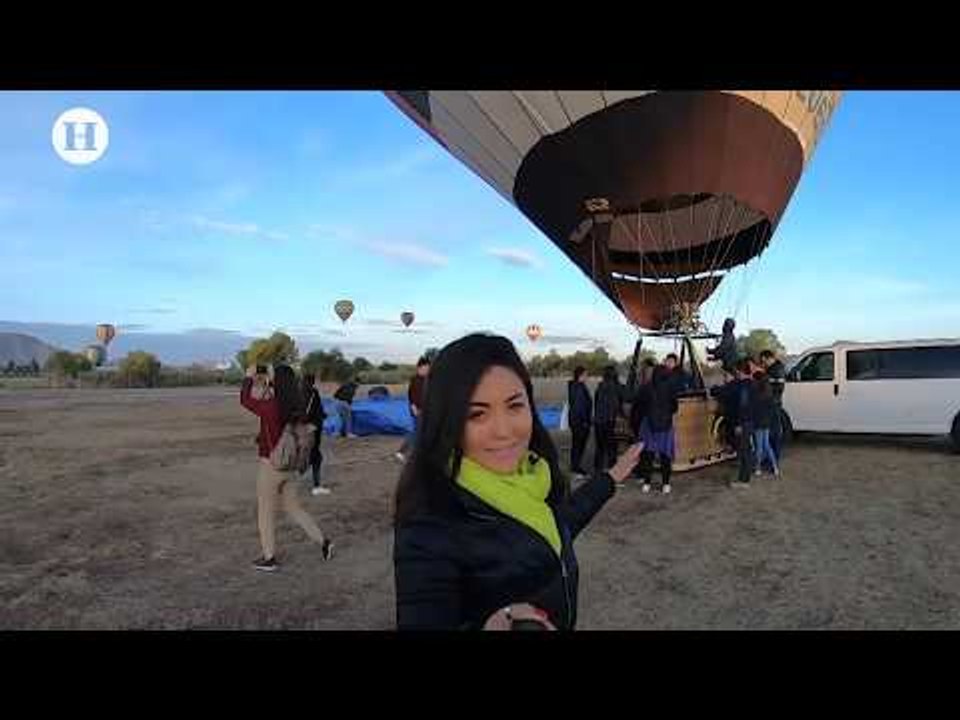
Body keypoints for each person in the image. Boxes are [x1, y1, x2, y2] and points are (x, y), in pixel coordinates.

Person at [393, 333, 643, 631]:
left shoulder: (533, 479)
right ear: (447, 421)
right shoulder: (429, 526)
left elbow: (558, 525)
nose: (504, 431)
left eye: (514, 406)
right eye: (477, 414)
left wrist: (610, 479)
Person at [241, 363, 333, 571]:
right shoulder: (297, 405)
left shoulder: (272, 406)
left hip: (271, 465)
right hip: (291, 466)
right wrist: (266, 385)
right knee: (294, 508)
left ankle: (269, 557)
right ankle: (323, 541)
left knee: (265, 511)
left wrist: (248, 378)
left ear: (277, 381)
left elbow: (245, 400)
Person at [637, 363, 680, 494]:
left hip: (648, 425)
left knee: (648, 455)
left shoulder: (646, 388)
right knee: (665, 456)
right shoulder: (671, 388)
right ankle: (666, 484)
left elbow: (640, 405)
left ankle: (647, 483)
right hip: (666, 426)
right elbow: (675, 408)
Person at [396, 356, 430, 463]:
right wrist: (414, 408)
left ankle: (419, 454)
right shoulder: (415, 380)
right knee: (416, 433)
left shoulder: (426, 379)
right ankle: (401, 452)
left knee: (423, 432)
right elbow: (412, 396)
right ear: (419, 368)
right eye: (426, 368)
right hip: (418, 411)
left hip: (425, 410)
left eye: (428, 368)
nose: (427, 370)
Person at [592, 365, 623, 477]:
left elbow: (596, 403)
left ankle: (597, 471)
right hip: (610, 421)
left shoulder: (600, 387)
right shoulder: (616, 387)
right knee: (611, 448)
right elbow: (622, 400)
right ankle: (612, 472)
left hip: (599, 421)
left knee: (600, 447)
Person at [302, 372, 330, 495]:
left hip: (300, 428)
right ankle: (317, 486)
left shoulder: (297, 391)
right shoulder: (313, 392)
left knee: (303, 454)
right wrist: (323, 416)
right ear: (312, 381)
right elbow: (317, 411)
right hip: (313, 428)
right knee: (316, 456)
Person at [750, 371, 781, 479]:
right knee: (766, 445)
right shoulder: (769, 392)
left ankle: (758, 468)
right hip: (767, 423)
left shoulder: (755, 393)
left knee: (759, 447)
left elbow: (752, 409)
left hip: (758, 423)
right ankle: (775, 467)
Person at [759, 349, 787, 461]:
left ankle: (774, 457)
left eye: (764, 360)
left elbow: (779, 387)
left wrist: (765, 381)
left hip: (773, 403)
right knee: (770, 432)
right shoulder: (772, 368)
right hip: (771, 403)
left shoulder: (777, 369)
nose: (763, 363)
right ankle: (771, 457)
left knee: (774, 432)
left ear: (769, 358)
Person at [567, 365, 593, 478]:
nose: (587, 377)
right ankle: (576, 468)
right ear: (580, 375)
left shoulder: (575, 386)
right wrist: (585, 422)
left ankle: (575, 466)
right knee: (578, 445)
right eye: (586, 374)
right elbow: (579, 407)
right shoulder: (578, 388)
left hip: (576, 421)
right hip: (579, 422)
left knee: (577, 445)